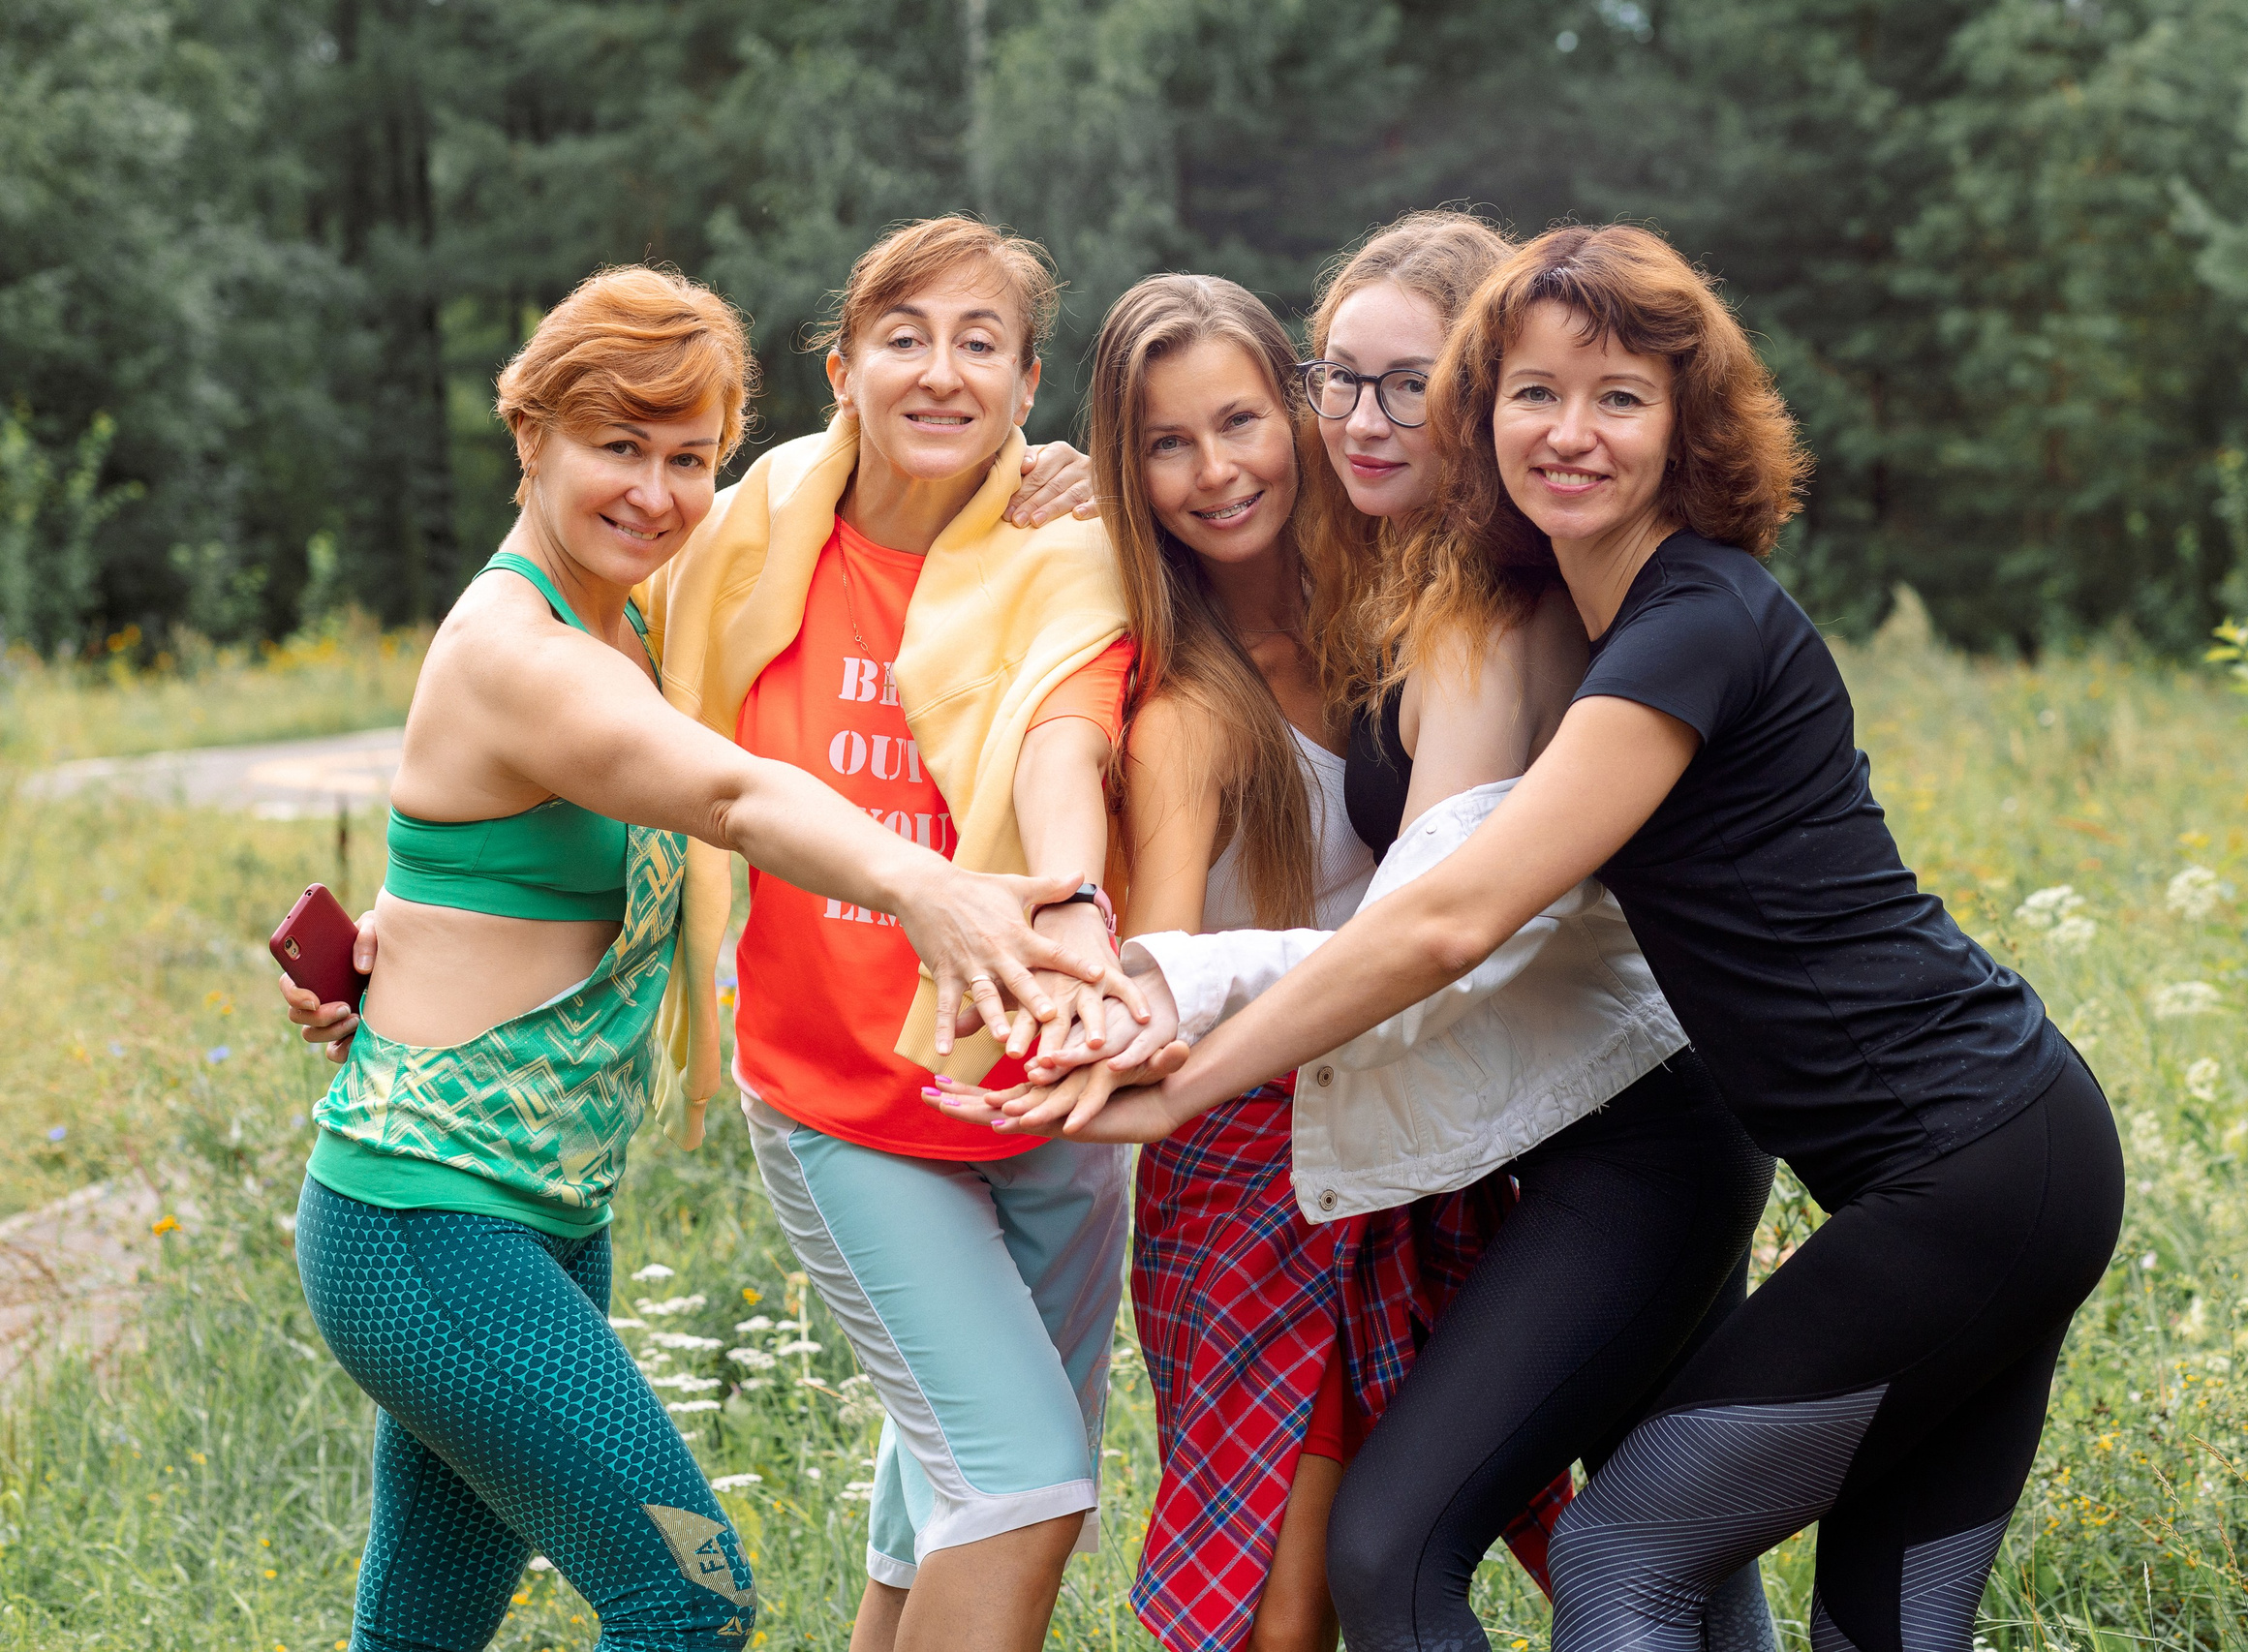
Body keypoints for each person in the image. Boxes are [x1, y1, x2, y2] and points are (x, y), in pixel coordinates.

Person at [953, 223, 2125, 1652]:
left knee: (1618, 1552)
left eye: (1618, 400)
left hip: (1957, 1162)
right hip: (1964, 1151)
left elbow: (1447, 916)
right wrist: (1055, 476)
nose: (1568, 433)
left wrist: (1185, 1057)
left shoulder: (1680, 625)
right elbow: (1237, 470)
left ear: (1684, 425)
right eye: (1533, 396)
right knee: (1878, 1623)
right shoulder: (1557, 590)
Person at [281, 265, 1120, 1652]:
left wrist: (1051, 474)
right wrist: (929, 891)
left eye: (688, 460)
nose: (658, 494)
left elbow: (838, 508)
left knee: (417, 1637)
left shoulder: (642, 617)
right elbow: (732, 798)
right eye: (619, 447)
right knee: (691, 1596)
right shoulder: (520, 650)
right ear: (529, 435)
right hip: (425, 1222)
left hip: (540, 1218)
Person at [636, 216, 1140, 1652]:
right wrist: (401, 926)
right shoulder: (739, 535)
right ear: (843, 366)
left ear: (1028, 382)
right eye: (904, 336)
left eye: (980, 341)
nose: (940, 371)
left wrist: (1071, 909)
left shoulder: (1068, 550)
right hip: (843, 1098)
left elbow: (1068, 732)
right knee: (1028, 1478)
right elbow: (576, 714)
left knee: (950, 1469)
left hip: (1040, 1100)